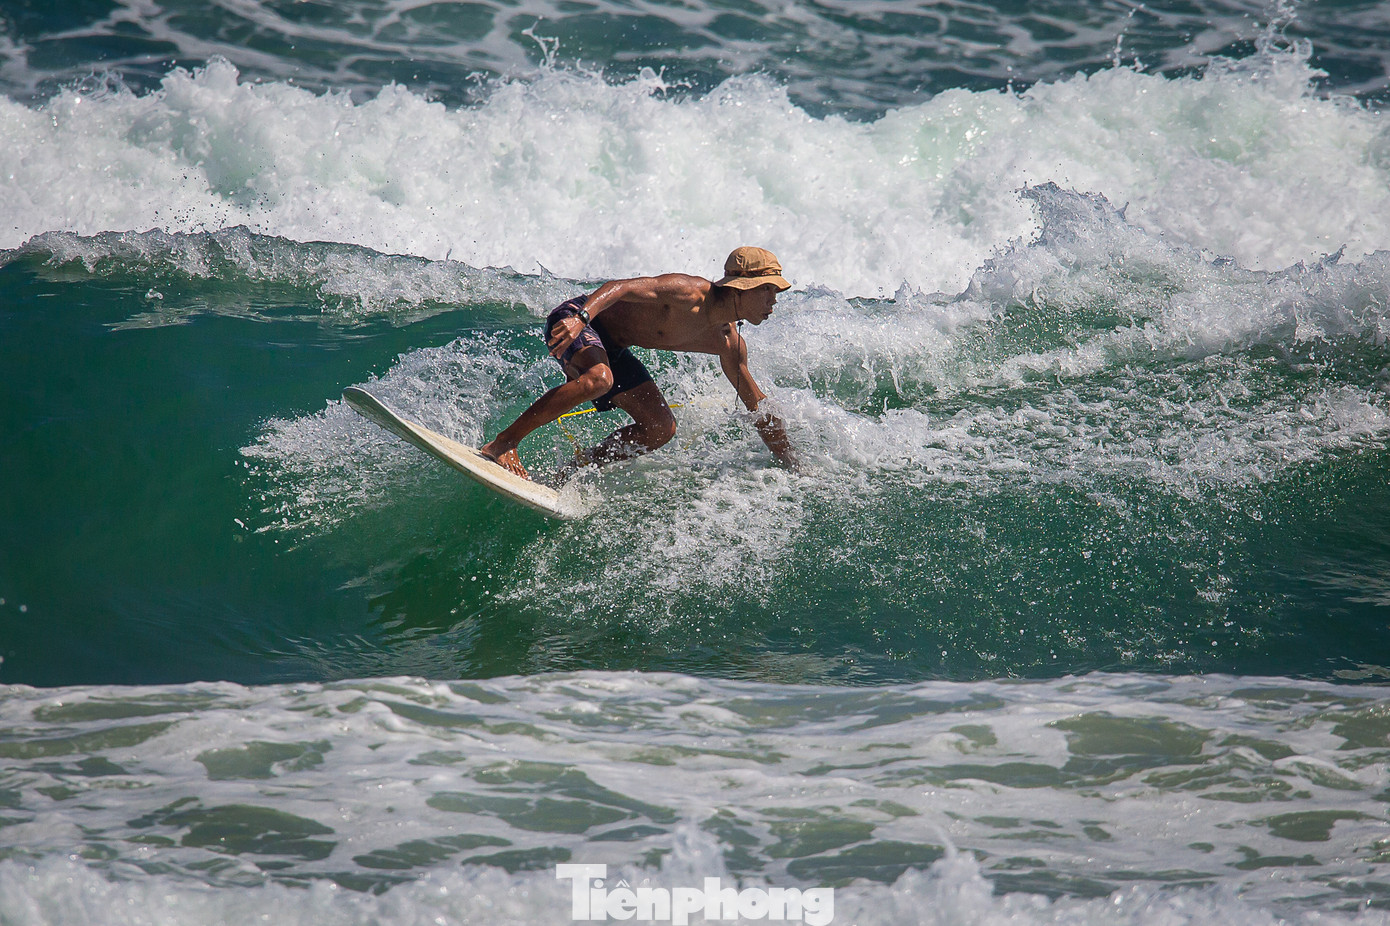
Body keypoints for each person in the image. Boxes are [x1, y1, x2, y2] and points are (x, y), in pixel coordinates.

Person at [479, 246, 796, 482]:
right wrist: (581, 319)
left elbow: (758, 407)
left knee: (661, 428)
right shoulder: (689, 293)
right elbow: (622, 287)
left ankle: (571, 472)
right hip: (580, 319)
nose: (774, 300)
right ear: (742, 287)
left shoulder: (729, 343)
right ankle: (503, 443)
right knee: (598, 379)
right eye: (768, 290)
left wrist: (790, 464)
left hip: (614, 348)